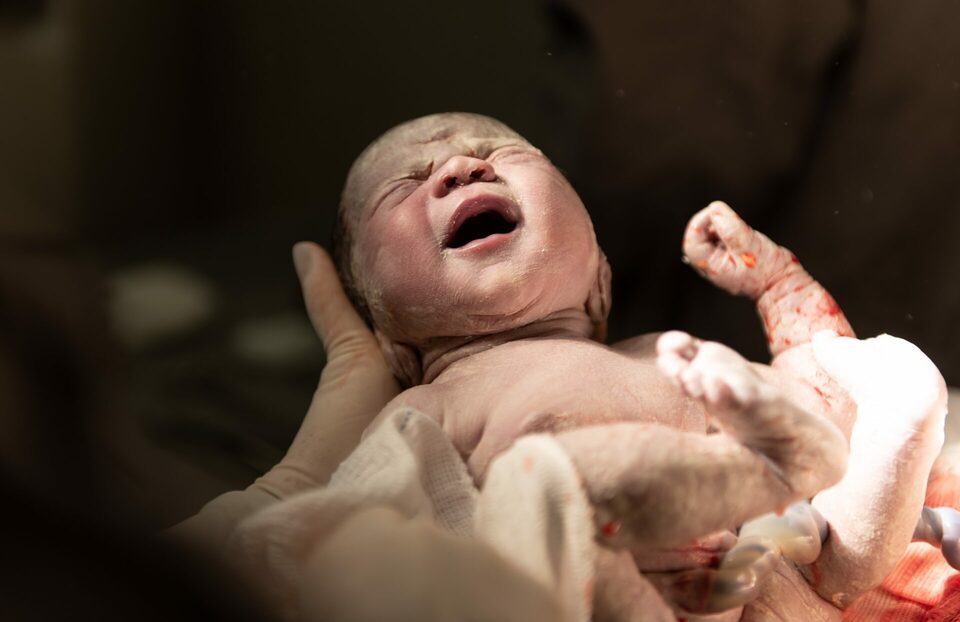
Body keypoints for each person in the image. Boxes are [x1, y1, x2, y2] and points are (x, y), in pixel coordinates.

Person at [284, 111, 941, 619]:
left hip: (805, 580)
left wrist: (776, 284)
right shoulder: (431, 409)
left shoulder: (668, 353)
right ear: (393, 345)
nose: (460, 167)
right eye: (403, 185)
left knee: (900, 396)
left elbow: (827, 400)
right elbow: (352, 548)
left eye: (500, 153)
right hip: (616, 597)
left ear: (599, 277)